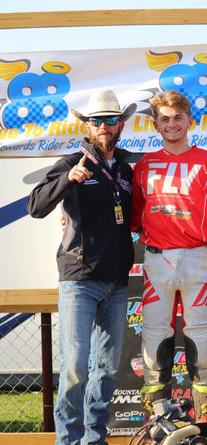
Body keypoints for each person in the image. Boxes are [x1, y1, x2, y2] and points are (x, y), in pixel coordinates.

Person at [131, 91, 207, 431]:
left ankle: (206, 421)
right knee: (155, 340)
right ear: (156, 125)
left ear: (190, 121)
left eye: (178, 118)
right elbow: (132, 217)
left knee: (202, 339)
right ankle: (158, 420)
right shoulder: (144, 165)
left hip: (197, 260)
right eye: (165, 119)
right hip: (156, 261)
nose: (172, 124)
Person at [27, 90, 137, 445]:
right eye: (96, 121)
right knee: (75, 368)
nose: (103, 126)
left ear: (121, 124)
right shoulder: (72, 161)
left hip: (117, 282)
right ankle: (68, 441)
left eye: (110, 120)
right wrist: (67, 181)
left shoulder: (125, 167)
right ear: (86, 125)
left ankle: (95, 439)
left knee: (105, 371)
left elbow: (134, 218)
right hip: (78, 279)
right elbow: (35, 207)